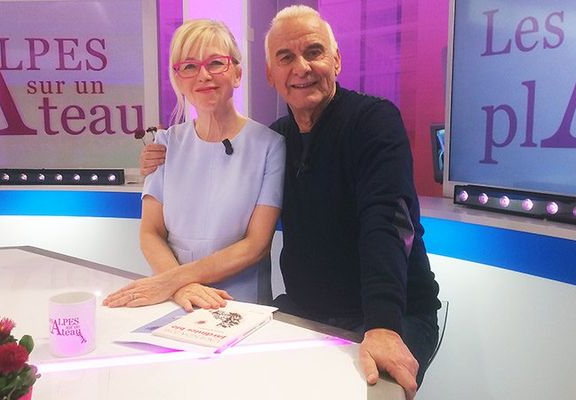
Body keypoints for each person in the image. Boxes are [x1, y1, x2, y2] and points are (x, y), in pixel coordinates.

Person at [138, 6, 440, 399]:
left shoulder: (373, 120)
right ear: (270, 74)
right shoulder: (278, 138)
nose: (301, 67)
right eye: (285, 57)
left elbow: (387, 220)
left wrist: (382, 324)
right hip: (306, 310)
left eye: (314, 52)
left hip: (391, 311)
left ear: (336, 60)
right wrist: (155, 159)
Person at [103, 19, 285, 311]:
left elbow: (256, 244)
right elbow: (151, 232)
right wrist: (181, 287)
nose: (203, 75)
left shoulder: (270, 146)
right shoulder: (165, 144)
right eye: (189, 66)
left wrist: (171, 281)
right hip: (174, 302)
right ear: (178, 79)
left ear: (237, 73)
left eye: (215, 63)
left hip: (239, 304)